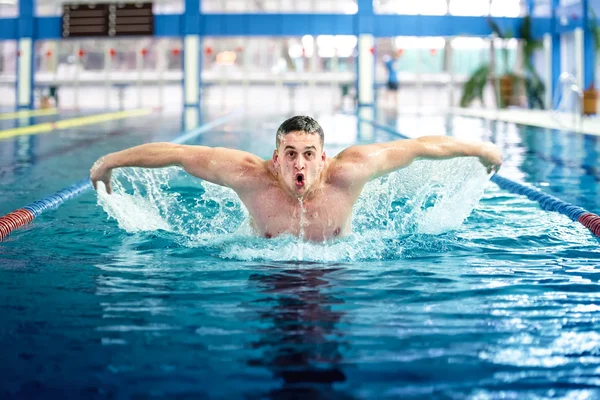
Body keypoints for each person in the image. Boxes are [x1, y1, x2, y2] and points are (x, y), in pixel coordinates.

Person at [90, 116, 502, 242]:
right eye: (290, 155)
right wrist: (111, 160)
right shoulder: (250, 176)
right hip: (267, 278)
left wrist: (482, 151)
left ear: (323, 159)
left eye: (308, 155)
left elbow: (418, 146)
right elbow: (179, 155)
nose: (299, 165)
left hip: (335, 279)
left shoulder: (350, 171)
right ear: (276, 158)